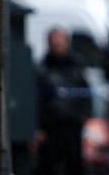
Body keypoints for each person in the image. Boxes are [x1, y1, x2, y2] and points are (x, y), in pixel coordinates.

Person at [34, 28, 92, 175]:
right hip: (51, 127)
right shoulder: (43, 68)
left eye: (60, 43)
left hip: (73, 126)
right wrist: (38, 127)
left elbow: (85, 92)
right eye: (55, 43)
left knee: (74, 164)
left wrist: (85, 116)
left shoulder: (76, 65)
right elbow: (37, 101)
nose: (58, 46)